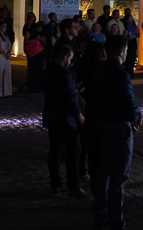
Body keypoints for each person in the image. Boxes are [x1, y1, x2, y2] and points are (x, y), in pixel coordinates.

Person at [92, 35, 143, 230]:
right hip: (119, 126)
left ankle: (101, 212)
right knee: (119, 176)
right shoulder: (121, 75)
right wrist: (137, 116)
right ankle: (116, 219)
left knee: (103, 171)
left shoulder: (99, 70)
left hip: (102, 125)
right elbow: (129, 102)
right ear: (122, 52)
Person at [43, 43, 88, 197]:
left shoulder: (48, 71)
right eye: (70, 59)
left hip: (52, 116)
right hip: (66, 118)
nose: (71, 62)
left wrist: (74, 88)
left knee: (55, 150)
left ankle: (56, 184)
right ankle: (73, 187)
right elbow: (69, 97)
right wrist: (79, 114)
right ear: (64, 57)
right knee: (74, 150)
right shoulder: (64, 74)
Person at [0, 21, 13, 98]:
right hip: (0, 55)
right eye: (4, 26)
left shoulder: (6, 36)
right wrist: (5, 53)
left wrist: (9, 52)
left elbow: (10, 45)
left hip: (6, 55)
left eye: (6, 26)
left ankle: (8, 92)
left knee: (8, 72)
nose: (5, 28)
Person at [123, 12, 139, 78]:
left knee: (132, 57)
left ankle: (131, 72)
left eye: (132, 19)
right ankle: (127, 71)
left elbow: (138, 35)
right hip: (127, 42)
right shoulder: (125, 26)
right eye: (130, 19)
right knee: (127, 57)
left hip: (133, 42)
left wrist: (134, 35)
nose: (131, 20)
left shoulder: (135, 27)